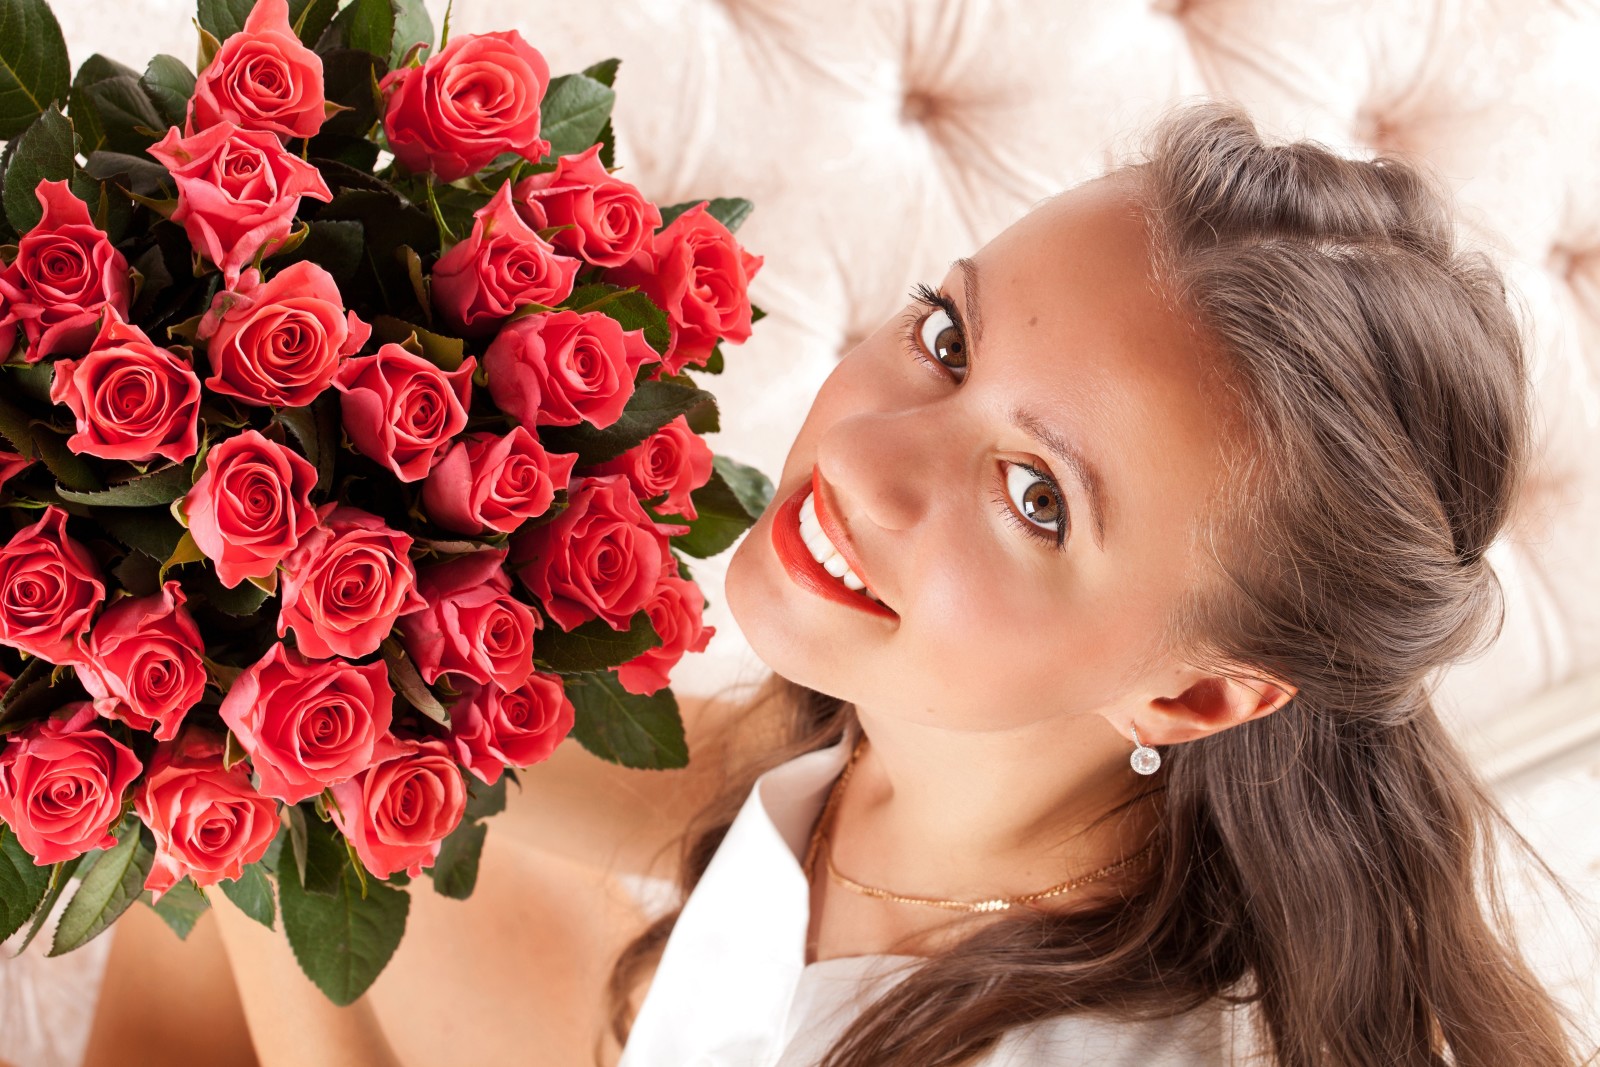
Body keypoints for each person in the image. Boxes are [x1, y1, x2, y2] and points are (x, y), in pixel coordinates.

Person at [85, 98, 1594, 1067]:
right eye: (946, 340)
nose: (869, 463)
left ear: (1196, 689)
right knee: (253, 802)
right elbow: (646, 784)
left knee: (251, 838)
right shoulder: (929, 758)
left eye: (1035, 497)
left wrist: (255, 804)